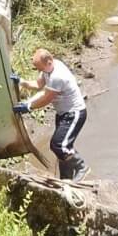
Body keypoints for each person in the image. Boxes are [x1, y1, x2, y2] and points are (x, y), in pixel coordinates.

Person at [13, 48, 90, 182]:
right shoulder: (49, 69)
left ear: (49, 62)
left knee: (59, 145)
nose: (39, 71)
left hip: (74, 114)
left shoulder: (57, 76)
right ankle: (66, 179)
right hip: (63, 113)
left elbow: (46, 98)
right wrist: (21, 81)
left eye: (40, 68)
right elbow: (38, 85)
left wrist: (29, 106)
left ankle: (81, 167)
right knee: (63, 149)